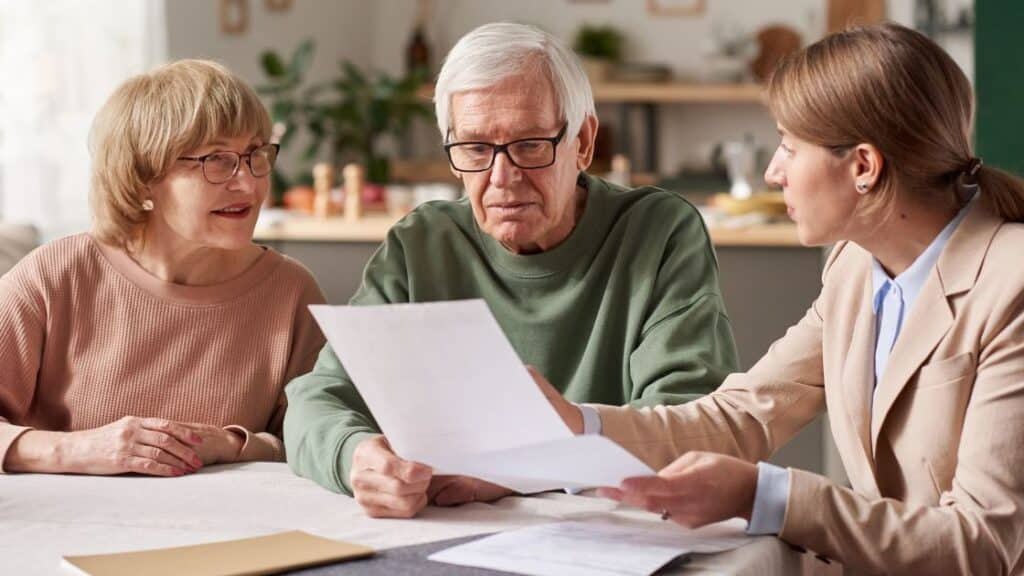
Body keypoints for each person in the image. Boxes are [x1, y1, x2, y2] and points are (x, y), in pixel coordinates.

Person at [535, 22, 1024, 574]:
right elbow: (744, 414)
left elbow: (982, 545)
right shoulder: (854, 268)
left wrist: (769, 496)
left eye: (790, 147)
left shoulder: (1013, 283)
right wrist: (579, 425)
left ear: (863, 166)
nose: (772, 173)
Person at [284, 22, 739, 518]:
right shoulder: (422, 244)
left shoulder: (659, 232)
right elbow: (316, 400)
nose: (503, 178)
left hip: (613, 536)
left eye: (529, 144)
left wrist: (519, 472)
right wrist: (355, 458)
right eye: (476, 149)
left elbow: (689, 425)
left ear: (583, 142)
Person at [0, 60, 325, 477]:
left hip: (231, 530)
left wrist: (232, 443)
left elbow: (320, 438)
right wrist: (78, 449)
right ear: (141, 178)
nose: (249, 184)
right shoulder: (57, 275)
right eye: (217, 160)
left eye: (254, 154)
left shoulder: (291, 290)